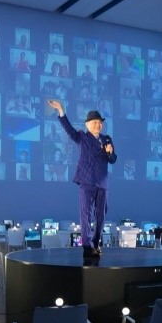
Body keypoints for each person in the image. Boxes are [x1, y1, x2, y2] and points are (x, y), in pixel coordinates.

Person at [47, 99, 116, 259]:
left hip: (102, 182)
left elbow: (113, 159)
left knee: (101, 216)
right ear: (88, 125)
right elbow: (69, 130)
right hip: (86, 181)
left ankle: (96, 244)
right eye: (95, 122)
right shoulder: (82, 137)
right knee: (85, 214)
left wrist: (110, 152)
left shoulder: (107, 139)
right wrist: (61, 111)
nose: (98, 125)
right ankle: (87, 246)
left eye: (100, 122)